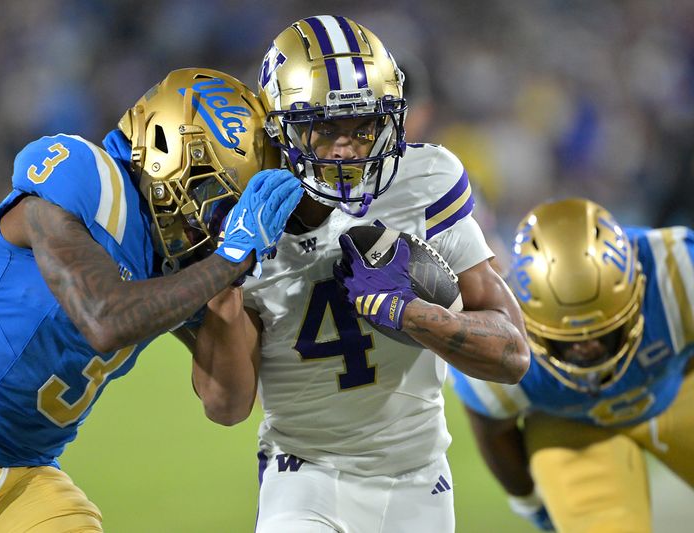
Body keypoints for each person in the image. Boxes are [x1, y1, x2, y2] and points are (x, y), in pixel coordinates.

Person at [0, 67, 302, 532]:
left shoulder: (186, 259)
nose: (218, 223)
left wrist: (230, 283)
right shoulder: (83, 174)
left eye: (234, 211)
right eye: (215, 197)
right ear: (165, 152)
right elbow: (102, 317)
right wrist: (226, 260)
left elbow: (226, 404)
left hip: (25, 475)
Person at [192, 16, 530, 533]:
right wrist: (227, 272)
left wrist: (412, 314)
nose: (346, 149)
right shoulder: (240, 211)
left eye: (363, 126)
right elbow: (226, 406)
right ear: (280, 126)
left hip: (420, 480)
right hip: (304, 473)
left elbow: (512, 354)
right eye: (324, 128)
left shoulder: (427, 181)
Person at [449, 198, 694, 532]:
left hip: (675, 388)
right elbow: (492, 428)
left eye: (604, 331)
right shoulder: (499, 337)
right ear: (528, 321)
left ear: (638, 289)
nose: (588, 347)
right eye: (567, 339)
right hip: (570, 428)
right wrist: (531, 503)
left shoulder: (679, 273)